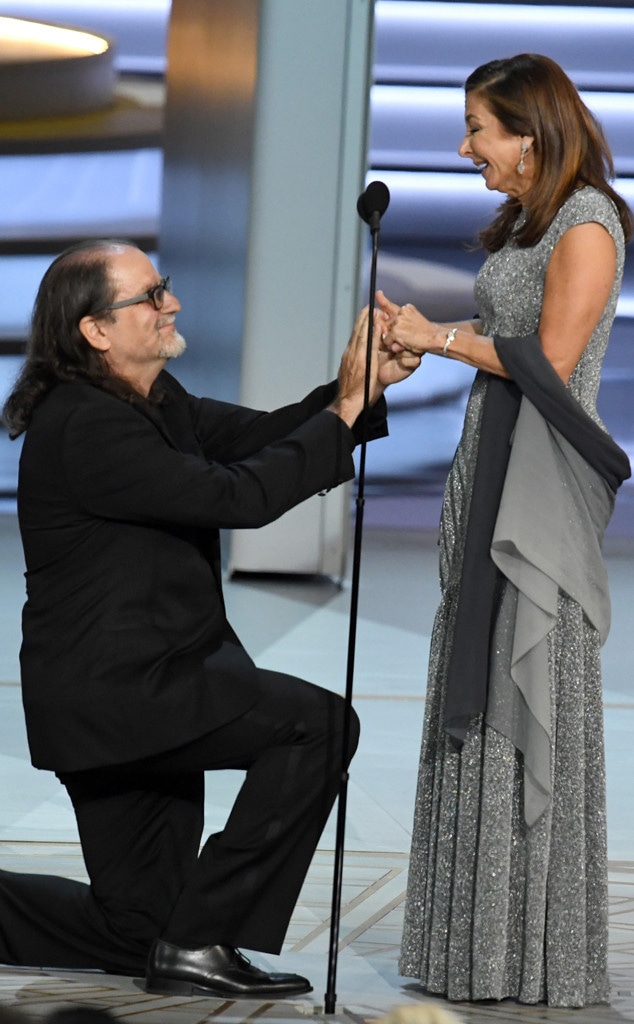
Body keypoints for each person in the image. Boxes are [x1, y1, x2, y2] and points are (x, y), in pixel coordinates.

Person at [0, 238, 420, 998]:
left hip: (137, 694)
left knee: (138, 932)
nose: (172, 304)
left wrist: (357, 391)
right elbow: (238, 498)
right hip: (128, 694)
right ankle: (202, 942)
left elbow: (261, 439)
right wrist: (346, 412)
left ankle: (180, 943)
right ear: (95, 331)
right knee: (317, 725)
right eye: (151, 296)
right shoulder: (86, 424)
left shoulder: (154, 399)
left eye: (164, 287)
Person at [377, 54, 632, 1007]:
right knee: (472, 693)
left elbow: (553, 363)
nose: (465, 145)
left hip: (537, 493)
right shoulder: (533, 224)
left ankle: (531, 951)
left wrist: (436, 336)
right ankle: (470, 949)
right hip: (486, 467)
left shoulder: (591, 222)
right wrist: (420, 328)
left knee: (528, 697)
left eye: (479, 128)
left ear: (530, 133)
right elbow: (505, 339)